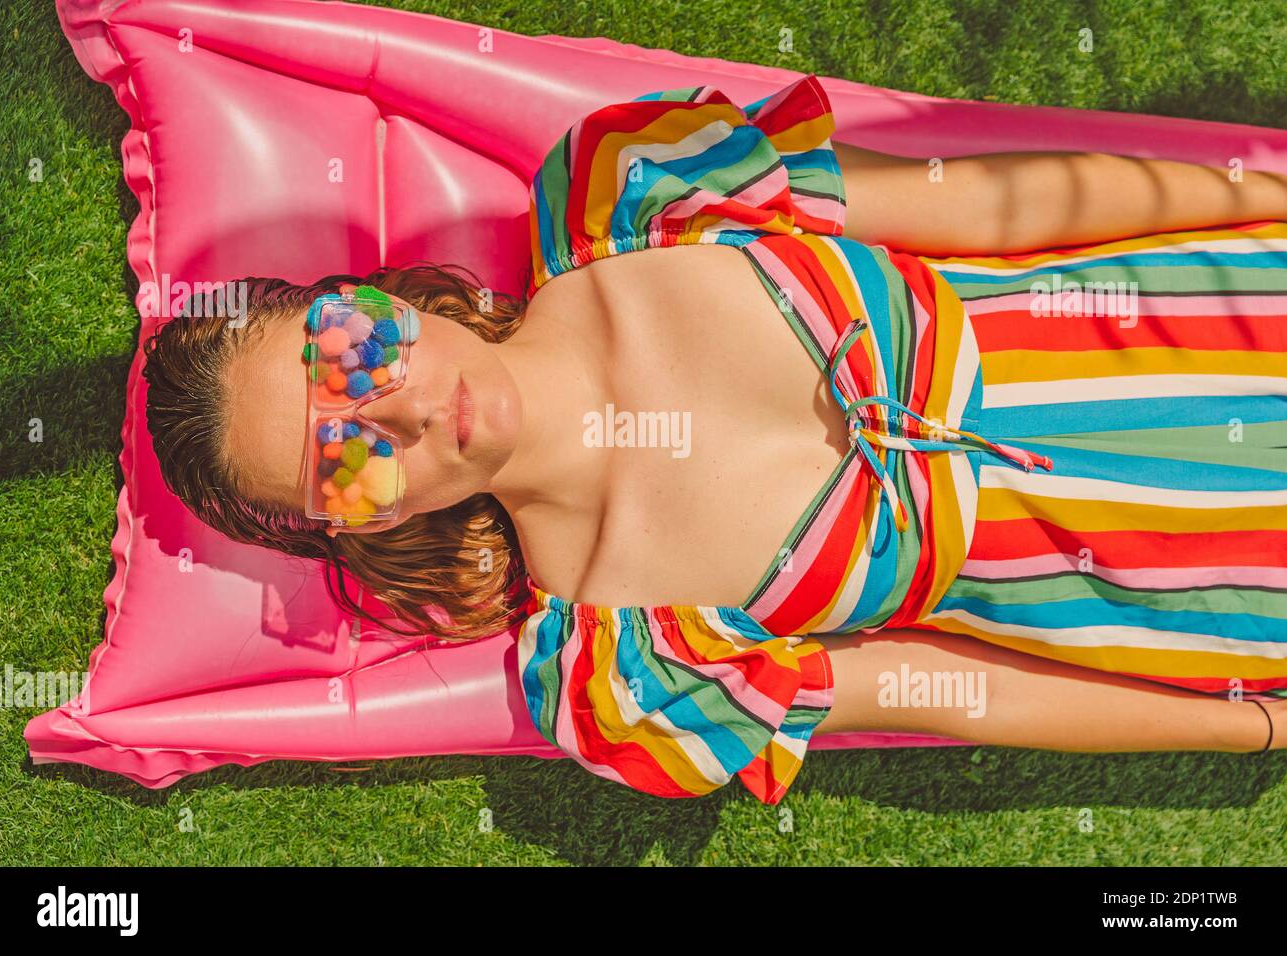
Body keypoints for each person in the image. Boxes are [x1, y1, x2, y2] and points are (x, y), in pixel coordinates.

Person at [143, 74, 1287, 802]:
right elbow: (954, 689)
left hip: (1226, 312)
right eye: (341, 457)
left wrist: (1254, 199)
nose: (387, 408)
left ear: (370, 299)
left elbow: (992, 207)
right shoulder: (629, 665)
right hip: (1212, 579)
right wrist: (1243, 728)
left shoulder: (641, 197)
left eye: (343, 352)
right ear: (372, 520)